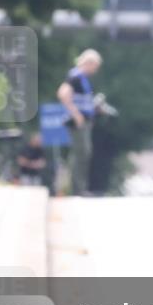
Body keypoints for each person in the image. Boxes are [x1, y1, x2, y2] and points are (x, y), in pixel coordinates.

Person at [57, 49, 102, 196]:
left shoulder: (82, 78)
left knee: (83, 153)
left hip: (85, 121)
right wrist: (76, 114)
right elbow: (63, 93)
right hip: (79, 122)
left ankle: (78, 187)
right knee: (81, 153)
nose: (96, 70)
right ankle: (77, 188)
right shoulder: (76, 76)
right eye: (95, 66)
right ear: (88, 63)